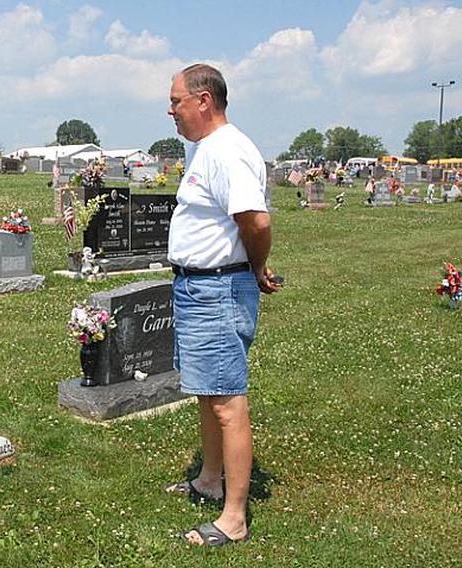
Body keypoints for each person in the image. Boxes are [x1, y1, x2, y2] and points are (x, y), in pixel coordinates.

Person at [163, 63, 280, 547]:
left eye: (176, 101)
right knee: (209, 394)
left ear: (204, 100)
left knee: (228, 402)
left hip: (216, 289)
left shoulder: (226, 152)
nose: (170, 110)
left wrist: (254, 266)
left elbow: (256, 221)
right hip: (198, 287)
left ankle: (234, 517)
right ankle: (211, 479)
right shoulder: (206, 150)